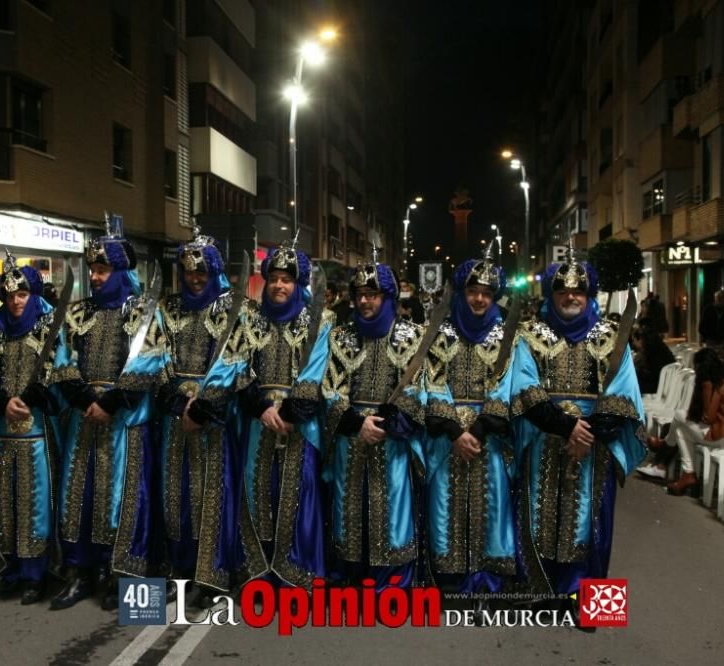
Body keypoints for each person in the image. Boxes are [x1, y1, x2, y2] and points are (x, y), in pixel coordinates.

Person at [117, 228, 259, 606]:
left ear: (213, 272)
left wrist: (202, 407)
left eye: (201, 272)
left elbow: (235, 361)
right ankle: (179, 570)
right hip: (176, 419)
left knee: (212, 495)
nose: (194, 279)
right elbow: (154, 355)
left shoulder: (235, 309)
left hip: (214, 420)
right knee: (175, 495)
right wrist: (177, 404)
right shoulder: (169, 308)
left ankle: (211, 576)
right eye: (188, 272)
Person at [510, 248, 646, 627]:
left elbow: (625, 393)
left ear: (589, 297)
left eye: (579, 293)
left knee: (593, 525)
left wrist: (591, 432)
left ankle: (594, 607)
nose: (571, 298)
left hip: (595, 448)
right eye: (562, 292)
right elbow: (523, 387)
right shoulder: (530, 335)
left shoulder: (610, 337)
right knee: (539, 519)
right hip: (544, 439)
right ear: (551, 296)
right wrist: (566, 426)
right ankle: (543, 599)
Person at [215, 241, 331, 588]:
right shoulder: (249, 319)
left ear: (299, 285)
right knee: (257, 492)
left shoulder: (319, 322)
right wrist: (261, 408)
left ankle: (296, 575)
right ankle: (259, 573)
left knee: (299, 495)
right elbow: (236, 364)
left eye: (288, 280)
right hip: (258, 424)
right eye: (275, 278)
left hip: (301, 426)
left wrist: (293, 412)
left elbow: (317, 370)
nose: (280, 285)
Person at [51, 230, 153, 611]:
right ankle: (79, 572)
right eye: (92, 269)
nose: (94, 276)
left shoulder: (142, 312)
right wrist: (81, 398)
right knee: (78, 495)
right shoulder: (78, 313)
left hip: (122, 422)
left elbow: (150, 361)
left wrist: (112, 402)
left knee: (120, 498)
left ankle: (120, 575)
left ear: (121, 270)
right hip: (83, 419)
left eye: (102, 269)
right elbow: (61, 359)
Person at [0, 250, 78, 605]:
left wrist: (38, 393)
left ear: (32, 295)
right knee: (3, 501)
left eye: (22, 295)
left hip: (38, 435)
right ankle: (10, 568)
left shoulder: (50, 326)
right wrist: (2, 400)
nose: (16, 301)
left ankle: (36, 574)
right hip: (2, 434)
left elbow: (62, 368)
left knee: (35, 503)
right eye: (10, 295)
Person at [321, 257, 427, 590]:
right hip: (351, 438)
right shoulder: (340, 336)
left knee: (391, 510)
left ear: (389, 297)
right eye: (360, 294)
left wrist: (387, 423)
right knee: (349, 507)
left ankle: (391, 583)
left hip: (391, 440)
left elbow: (420, 388)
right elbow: (329, 388)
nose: (365, 301)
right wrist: (356, 424)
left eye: (373, 294)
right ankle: (351, 577)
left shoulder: (413, 336)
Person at [423, 251, 518, 597]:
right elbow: (430, 382)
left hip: (488, 437)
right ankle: (448, 576)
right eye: (473, 291)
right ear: (461, 293)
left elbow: (507, 384)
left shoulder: (507, 336)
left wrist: (477, 431)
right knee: (443, 503)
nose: (479, 299)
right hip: (447, 438)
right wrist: (453, 431)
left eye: (487, 293)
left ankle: (485, 577)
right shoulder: (438, 333)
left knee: (491, 505)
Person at [658, 348, 724, 495]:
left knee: (679, 417)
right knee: (681, 430)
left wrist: (699, 412)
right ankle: (687, 474)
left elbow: (709, 417)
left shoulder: (714, 383)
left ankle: (668, 447)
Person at [632, 327, 676, 394]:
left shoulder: (651, 351)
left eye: (634, 341)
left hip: (657, 386)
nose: (634, 344)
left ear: (640, 340)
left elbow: (651, 374)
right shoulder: (658, 346)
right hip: (663, 385)